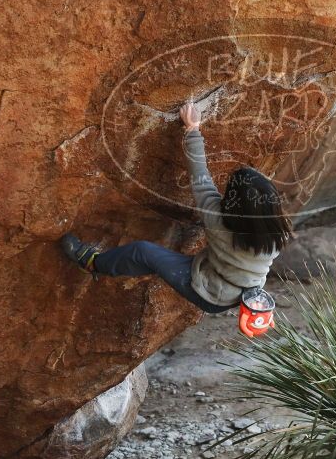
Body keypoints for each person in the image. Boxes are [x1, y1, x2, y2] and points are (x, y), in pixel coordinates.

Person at [60, 103, 292, 314]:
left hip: (211, 295)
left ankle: (93, 264)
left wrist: (193, 128)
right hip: (245, 290)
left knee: (142, 252)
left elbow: (200, 177)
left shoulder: (217, 221)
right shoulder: (277, 232)